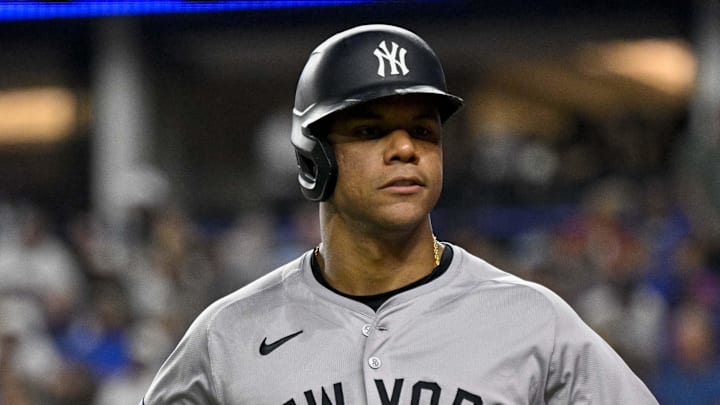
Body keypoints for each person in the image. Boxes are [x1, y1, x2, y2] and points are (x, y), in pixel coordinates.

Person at [141, 23, 658, 404]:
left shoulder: (532, 321)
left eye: (424, 131)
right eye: (370, 131)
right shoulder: (228, 335)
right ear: (312, 159)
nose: (405, 149)